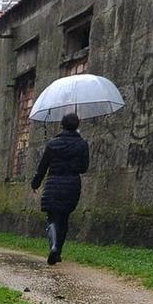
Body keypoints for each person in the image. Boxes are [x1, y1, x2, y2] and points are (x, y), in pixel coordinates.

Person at [30, 110, 90, 264]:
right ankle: (58, 251)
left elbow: (42, 167)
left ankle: (54, 247)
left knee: (52, 219)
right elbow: (84, 168)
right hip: (72, 186)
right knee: (64, 218)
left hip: (53, 185)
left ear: (62, 125)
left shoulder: (52, 144)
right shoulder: (82, 144)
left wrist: (35, 184)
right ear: (77, 125)